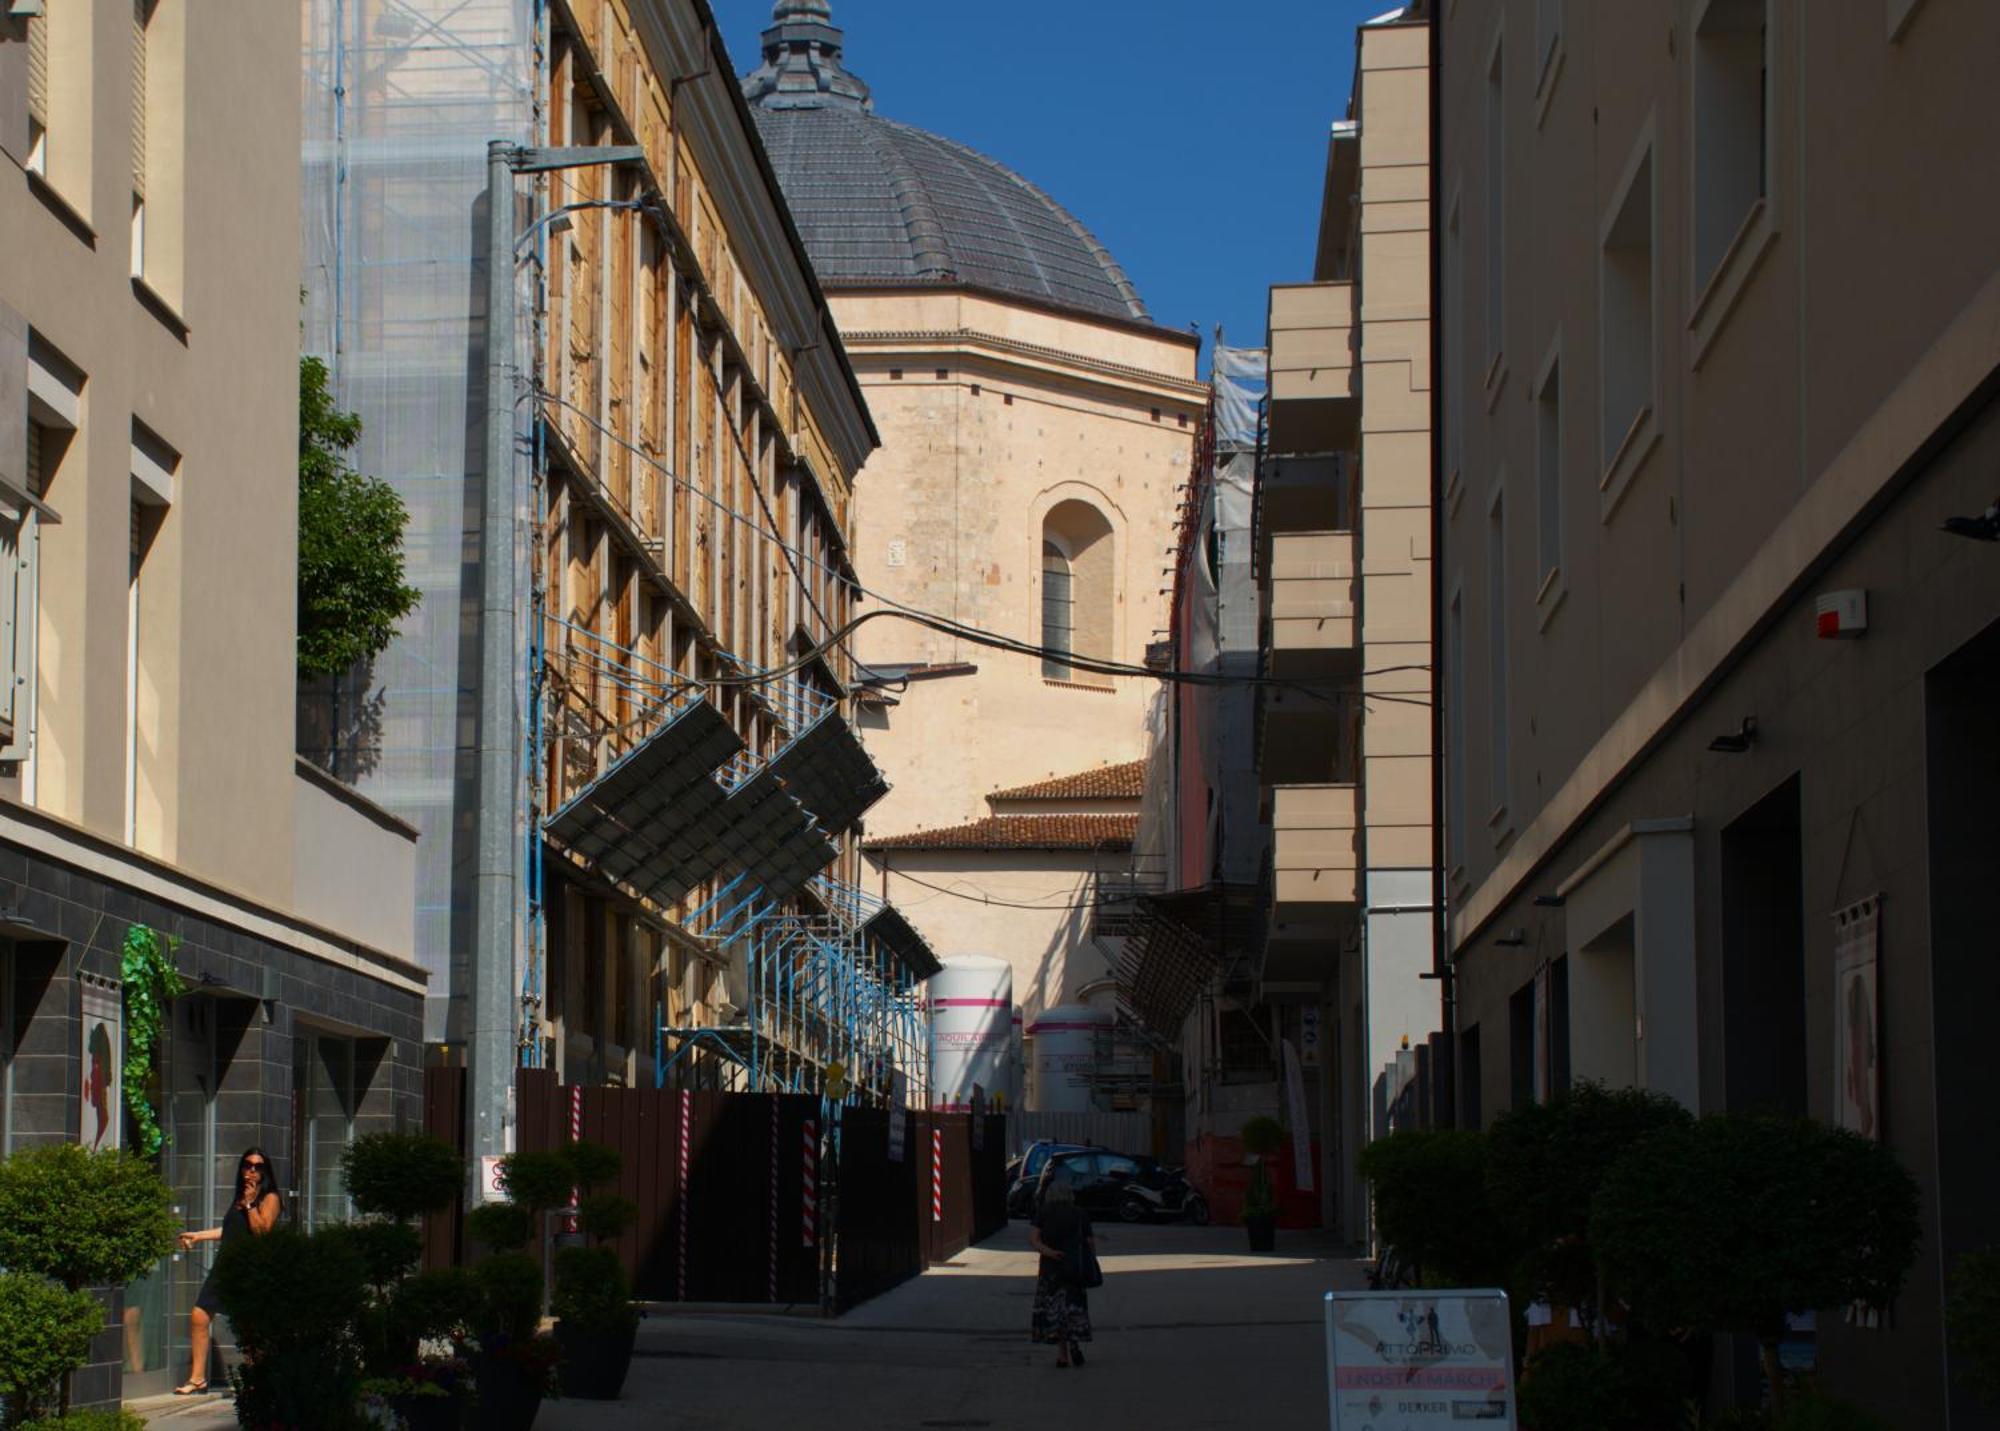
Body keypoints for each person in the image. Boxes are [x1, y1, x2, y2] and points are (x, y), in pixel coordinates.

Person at [174, 1148, 281, 1395]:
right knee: (200, 1314)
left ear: (266, 1172)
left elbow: (262, 1232)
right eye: (247, 1165)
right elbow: (232, 1230)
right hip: (226, 1265)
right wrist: (199, 1235)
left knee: (248, 1326)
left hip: (248, 1267)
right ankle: (197, 1378)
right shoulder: (239, 1198)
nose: (252, 1171)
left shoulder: (269, 1198)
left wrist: (252, 1204)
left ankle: (257, 1379)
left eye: (258, 1167)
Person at [1027, 1175, 1095, 1368]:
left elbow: (1033, 1239)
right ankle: (1074, 1345)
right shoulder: (1080, 1213)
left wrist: (1049, 1252)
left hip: (1051, 1270)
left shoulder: (1044, 1212)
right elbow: (1089, 1243)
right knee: (1072, 1310)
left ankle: (1062, 1355)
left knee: (1056, 1312)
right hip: (1075, 1268)